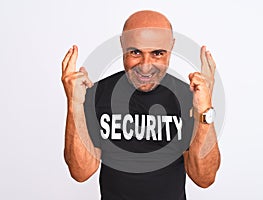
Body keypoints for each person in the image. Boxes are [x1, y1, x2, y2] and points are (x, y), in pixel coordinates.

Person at [61, 10, 221, 200]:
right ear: (122, 45)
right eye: (135, 52)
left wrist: (204, 110)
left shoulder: (187, 97)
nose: (145, 67)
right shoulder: (98, 94)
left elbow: (204, 178)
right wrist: (75, 103)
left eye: (157, 54)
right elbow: (81, 172)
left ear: (171, 47)